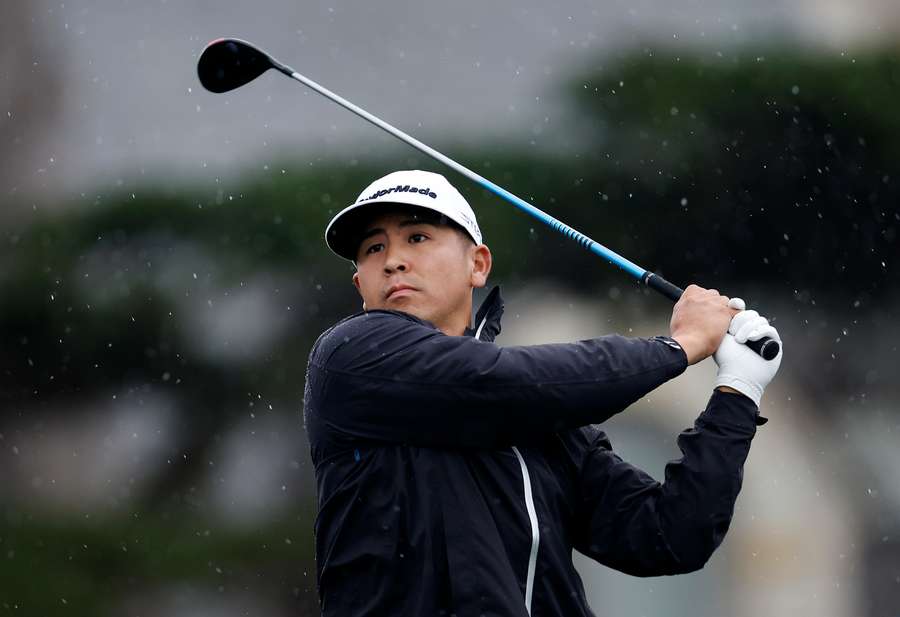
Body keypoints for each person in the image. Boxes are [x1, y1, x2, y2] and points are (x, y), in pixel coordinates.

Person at [303, 169, 782, 616]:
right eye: (372, 249)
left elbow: (670, 536)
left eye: (417, 237)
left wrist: (737, 393)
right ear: (359, 283)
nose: (393, 261)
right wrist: (683, 346)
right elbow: (500, 383)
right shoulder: (351, 355)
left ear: (478, 263)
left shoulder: (543, 419)